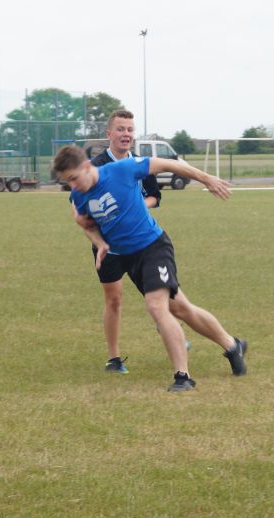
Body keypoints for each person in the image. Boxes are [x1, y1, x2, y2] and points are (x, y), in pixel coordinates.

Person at [54, 144, 248, 392]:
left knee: (156, 306)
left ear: (86, 166)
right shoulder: (80, 195)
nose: (72, 185)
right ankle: (232, 345)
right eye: (67, 181)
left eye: (73, 178)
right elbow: (85, 224)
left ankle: (183, 377)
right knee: (181, 308)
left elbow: (169, 164)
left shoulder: (122, 170)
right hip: (127, 257)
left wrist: (206, 178)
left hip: (152, 247)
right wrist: (100, 243)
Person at [77, 109, 165, 374]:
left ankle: (170, 331)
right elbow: (82, 213)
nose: (126, 134)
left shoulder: (139, 164)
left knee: (160, 297)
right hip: (109, 247)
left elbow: (155, 196)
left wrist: (136, 206)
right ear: (109, 134)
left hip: (141, 243)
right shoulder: (95, 166)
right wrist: (99, 239)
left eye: (129, 129)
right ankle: (114, 359)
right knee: (113, 299)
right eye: (120, 129)